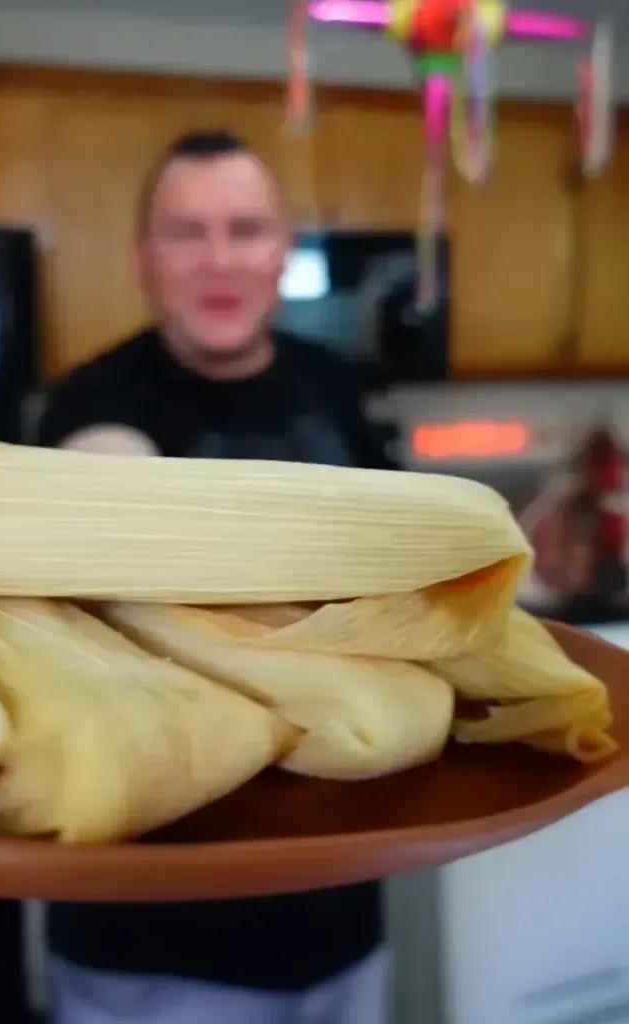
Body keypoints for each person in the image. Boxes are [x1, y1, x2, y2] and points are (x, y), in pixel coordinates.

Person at [35, 130, 397, 1024]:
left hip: (341, 905)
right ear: (143, 259)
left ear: (283, 252)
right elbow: (108, 481)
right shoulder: (92, 403)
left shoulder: (338, 388)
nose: (219, 259)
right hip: (150, 937)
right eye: (186, 232)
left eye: (246, 228)